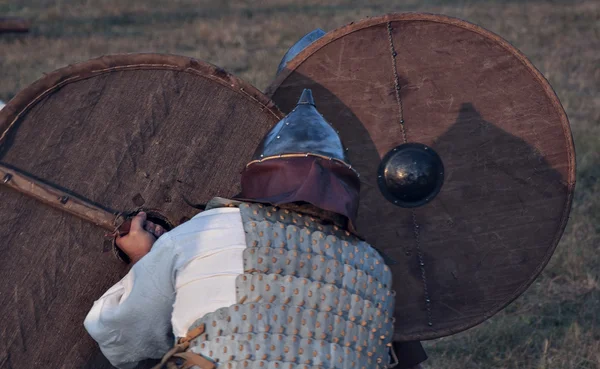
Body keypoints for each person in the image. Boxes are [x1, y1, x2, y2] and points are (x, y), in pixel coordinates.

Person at [84, 89, 427, 369]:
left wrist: (149, 261)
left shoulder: (206, 231)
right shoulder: (373, 267)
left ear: (261, 177)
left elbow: (119, 336)